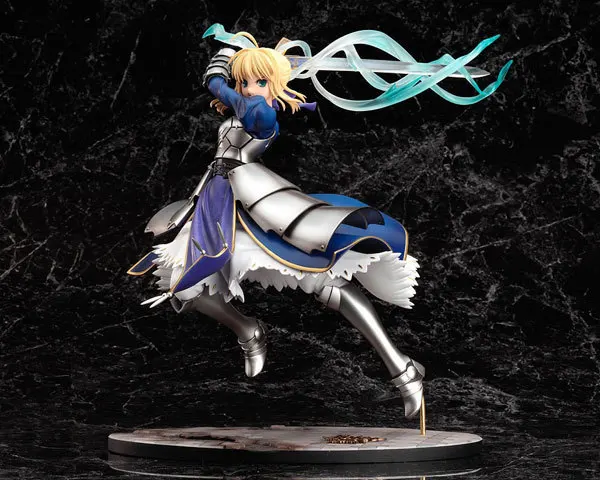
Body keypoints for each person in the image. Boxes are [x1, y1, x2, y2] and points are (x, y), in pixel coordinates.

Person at [129, 25, 511, 419]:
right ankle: (248, 330)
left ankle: (403, 369)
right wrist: (228, 71)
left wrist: (219, 70)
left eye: (259, 81)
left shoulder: (261, 112)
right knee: (185, 284)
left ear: (275, 85)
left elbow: (227, 95)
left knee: (325, 281)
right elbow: (225, 117)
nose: (249, 88)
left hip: (259, 198)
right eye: (244, 82)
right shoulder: (243, 106)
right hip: (217, 199)